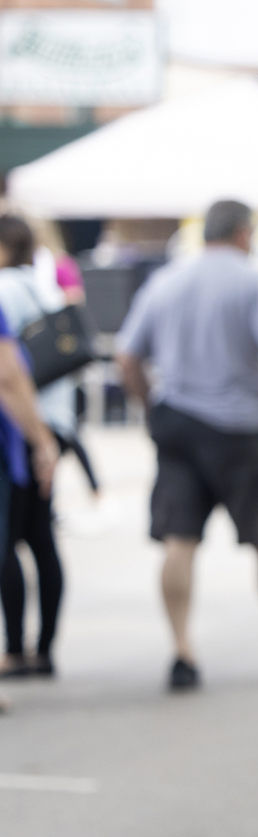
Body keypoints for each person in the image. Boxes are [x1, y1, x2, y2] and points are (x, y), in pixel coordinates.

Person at [114, 199, 258, 690]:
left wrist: (151, 406)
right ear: (244, 233)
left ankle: (182, 652)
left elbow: (126, 357)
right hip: (243, 429)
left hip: (179, 423)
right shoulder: (253, 282)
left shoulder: (166, 281)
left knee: (179, 540)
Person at [0, 215, 72, 676]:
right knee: (41, 539)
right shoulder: (45, 287)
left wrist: (36, 437)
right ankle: (43, 648)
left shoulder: (5, 289)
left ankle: (16, 648)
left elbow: (9, 375)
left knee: (8, 541)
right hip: (52, 422)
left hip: (20, 428)